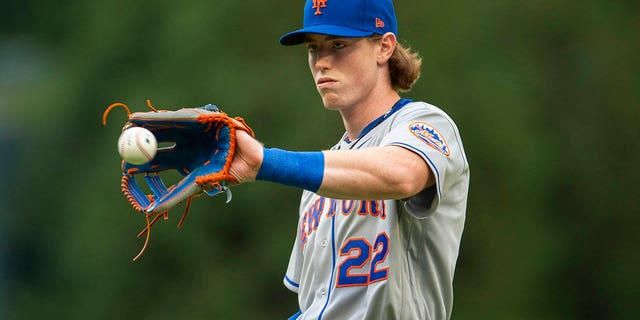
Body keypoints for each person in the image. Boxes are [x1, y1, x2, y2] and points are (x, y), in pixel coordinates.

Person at [229, 0, 469, 319]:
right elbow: (317, 307)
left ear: (384, 47)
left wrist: (267, 163)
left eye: (339, 44)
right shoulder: (317, 181)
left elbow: (402, 175)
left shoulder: (425, 124)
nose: (322, 62)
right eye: (314, 48)